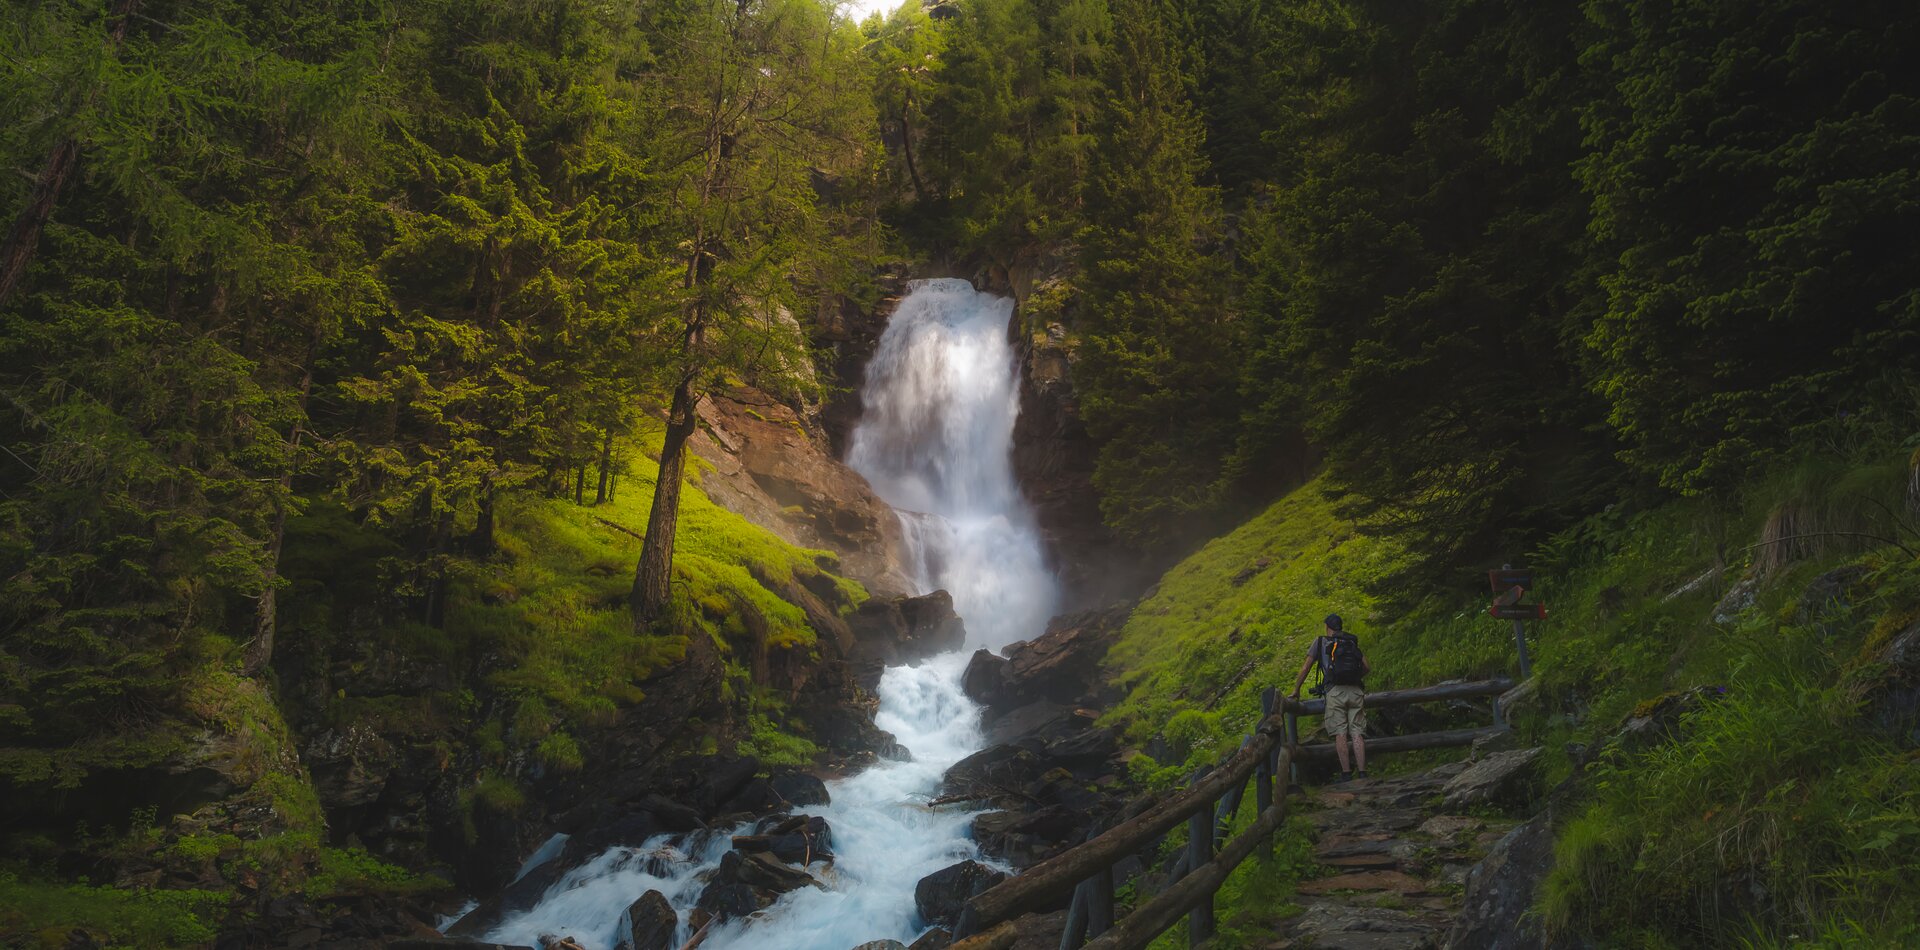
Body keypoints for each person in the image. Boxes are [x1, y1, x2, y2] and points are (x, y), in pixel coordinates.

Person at [1289, 613, 1370, 782]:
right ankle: (1363, 773)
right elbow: (1366, 667)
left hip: (1335, 691)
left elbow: (1305, 668)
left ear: (1328, 627)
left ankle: (1346, 774)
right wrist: (1354, 679)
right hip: (1355, 690)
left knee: (1340, 733)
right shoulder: (1350, 642)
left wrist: (1296, 689)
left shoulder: (1321, 642)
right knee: (1357, 733)